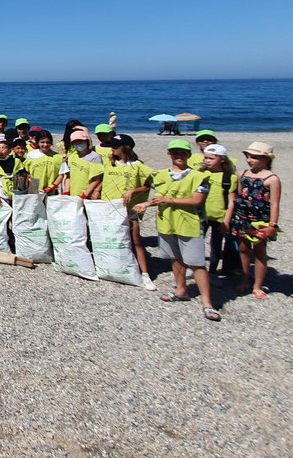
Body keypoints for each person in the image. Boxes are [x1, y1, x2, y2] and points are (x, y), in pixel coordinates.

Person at [135, 139, 220, 322]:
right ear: (169, 154)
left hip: (190, 224)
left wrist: (168, 201)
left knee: (196, 263)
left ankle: (207, 303)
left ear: (189, 155)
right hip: (167, 223)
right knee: (176, 258)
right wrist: (146, 204)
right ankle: (181, 290)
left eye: (182, 153)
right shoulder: (161, 175)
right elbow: (158, 198)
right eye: (175, 153)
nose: (178, 156)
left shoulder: (198, 176)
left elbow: (197, 200)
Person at [225, 141, 283, 300]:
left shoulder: (272, 179)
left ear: (266, 159)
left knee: (259, 253)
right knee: (243, 249)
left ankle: (257, 285)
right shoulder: (242, 174)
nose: (250, 160)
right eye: (248, 156)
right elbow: (237, 196)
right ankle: (244, 279)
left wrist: (272, 225)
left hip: (259, 220)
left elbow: (275, 204)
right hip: (241, 217)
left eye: (254, 157)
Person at [98, 134, 156, 290]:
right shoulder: (109, 163)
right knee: (111, 238)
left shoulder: (138, 165)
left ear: (125, 147)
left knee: (135, 240)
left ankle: (145, 274)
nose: (112, 148)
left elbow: (147, 186)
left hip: (129, 209)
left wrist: (133, 190)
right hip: (109, 207)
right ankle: (113, 267)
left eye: (116, 146)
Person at [198, 144, 238, 277]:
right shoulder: (200, 174)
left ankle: (213, 272)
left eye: (211, 158)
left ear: (222, 159)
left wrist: (226, 220)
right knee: (197, 243)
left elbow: (232, 201)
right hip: (201, 216)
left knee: (216, 246)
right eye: (206, 158)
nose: (207, 161)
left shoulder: (229, 178)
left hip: (219, 217)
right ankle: (198, 269)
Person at [61, 128, 103, 198]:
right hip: (72, 194)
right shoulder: (72, 156)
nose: (78, 144)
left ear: (86, 141)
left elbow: (97, 180)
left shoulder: (95, 157)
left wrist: (85, 194)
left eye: (81, 141)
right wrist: (66, 191)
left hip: (87, 195)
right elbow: (68, 176)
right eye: (75, 142)